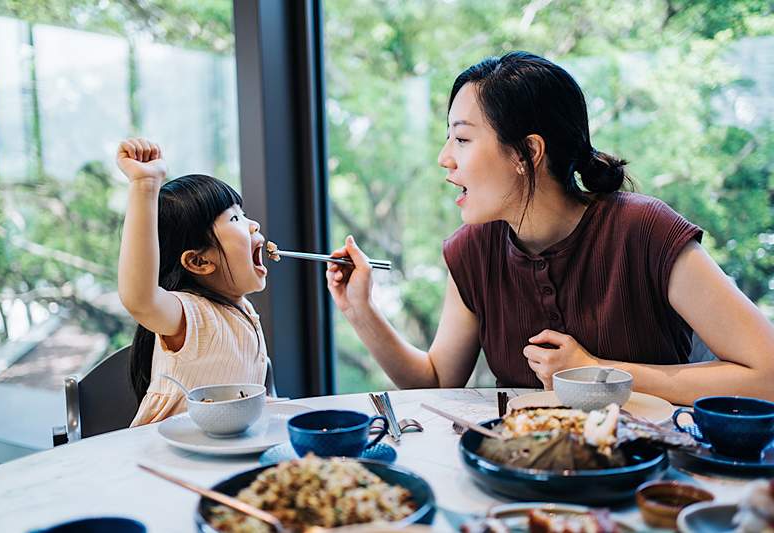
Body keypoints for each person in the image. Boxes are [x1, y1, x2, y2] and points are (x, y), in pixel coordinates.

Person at [326, 51, 774, 405]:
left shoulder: (645, 230)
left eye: (462, 138)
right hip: (523, 482)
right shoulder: (472, 250)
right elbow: (438, 382)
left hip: (648, 481)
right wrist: (360, 310)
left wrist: (595, 372)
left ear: (527, 152)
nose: (445, 157)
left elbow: (766, 373)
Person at [116, 138, 269, 426]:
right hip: (164, 458)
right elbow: (139, 298)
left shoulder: (245, 311)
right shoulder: (190, 316)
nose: (253, 224)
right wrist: (145, 185)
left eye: (243, 213)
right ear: (199, 262)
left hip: (219, 455)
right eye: (235, 217)